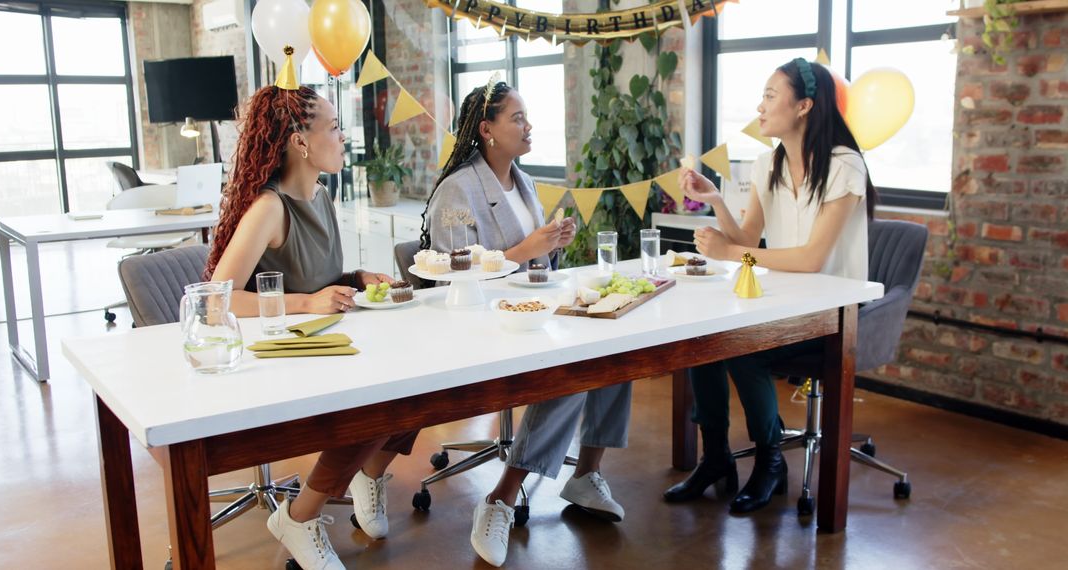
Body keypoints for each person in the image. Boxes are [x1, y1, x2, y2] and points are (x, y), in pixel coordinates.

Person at [205, 84, 417, 570]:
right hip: (280, 358)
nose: (344, 137)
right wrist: (308, 302)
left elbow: (319, 279)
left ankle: (367, 474)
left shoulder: (322, 195)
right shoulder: (269, 208)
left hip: (328, 346)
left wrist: (357, 279)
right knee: (376, 397)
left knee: (423, 384)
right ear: (301, 141)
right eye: (335, 127)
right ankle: (299, 517)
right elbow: (217, 302)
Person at [422, 80, 632, 568]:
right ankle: (500, 498)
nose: (528, 126)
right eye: (517, 118)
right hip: (478, 323)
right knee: (573, 370)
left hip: (534, 313)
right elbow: (460, 274)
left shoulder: (525, 181)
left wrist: (553, 241)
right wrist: (526, 250)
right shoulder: (457, 190)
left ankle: (586, 475)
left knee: (616, 347)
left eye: (526, 116)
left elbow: (537, 266)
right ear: (487, 130)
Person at [663, 58, 877, 514]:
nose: (759, 107)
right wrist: (716, 199)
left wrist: (729, 254)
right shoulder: (766, 164)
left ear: (803, 106)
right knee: (703, 338)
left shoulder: (844, 166)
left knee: (744, 347)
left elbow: (810, 259)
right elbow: (746, 239)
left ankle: (770, 459)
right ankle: (717, 457)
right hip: (783, 305)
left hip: (833, 314)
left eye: (770, 96)